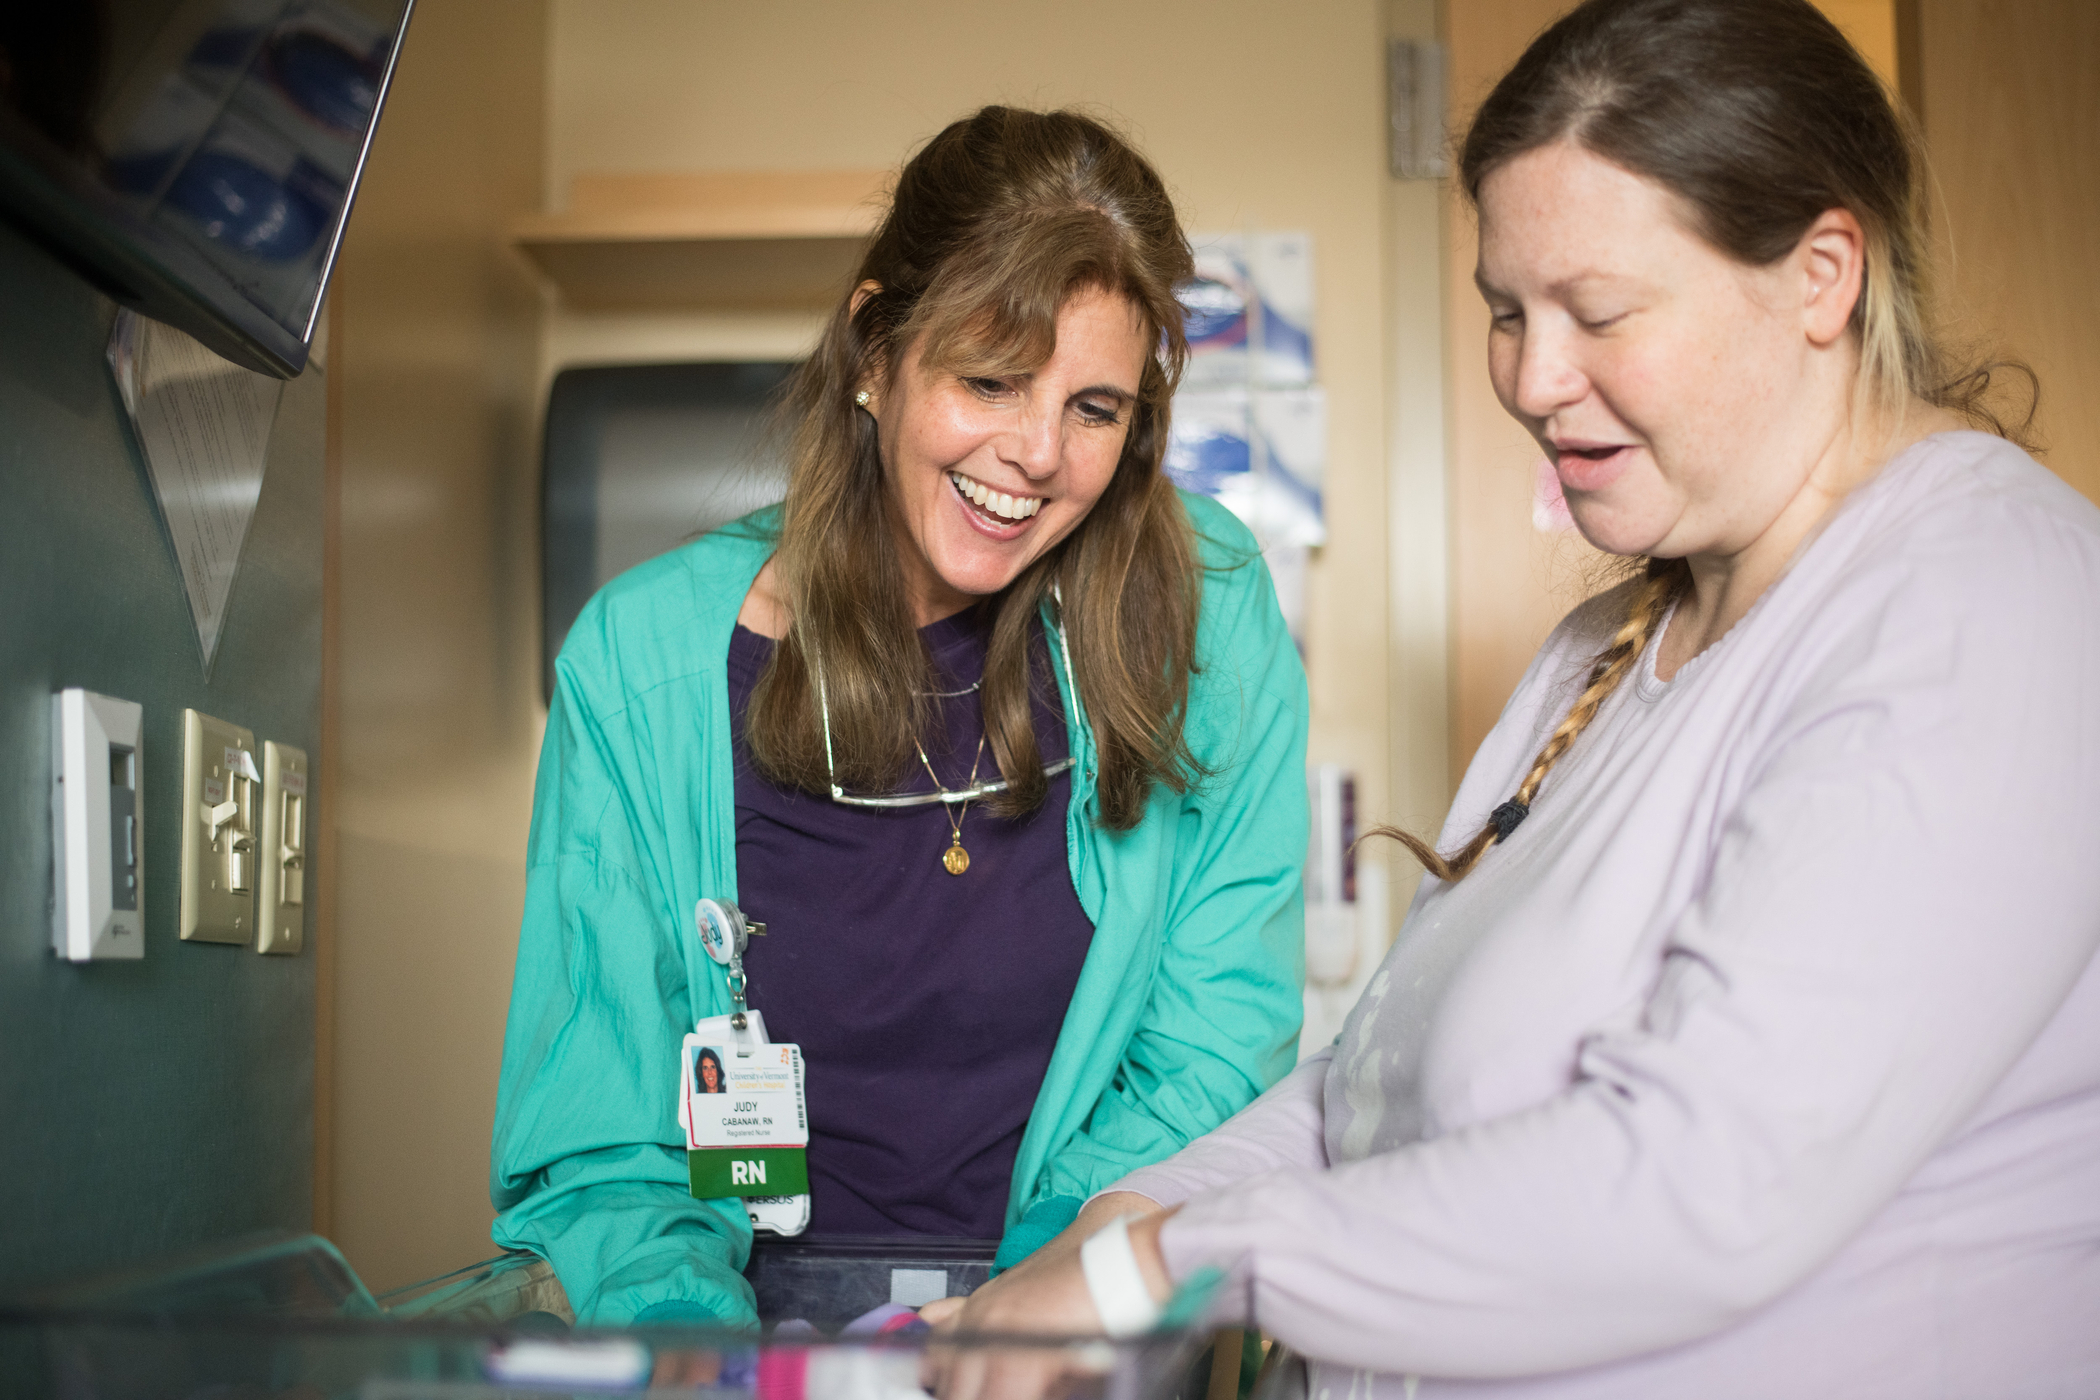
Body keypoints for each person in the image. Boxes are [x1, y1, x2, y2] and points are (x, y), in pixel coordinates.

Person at [935, 3, 2100, 1395]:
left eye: (1598, 312)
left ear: (1822, 277)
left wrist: (1164, 1268)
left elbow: (1698, 1184)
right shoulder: (1604, 647)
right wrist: (1130, 1221)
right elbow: (1375, 1089)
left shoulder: (1983, 600)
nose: (1536, 382)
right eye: (1505, 313)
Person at [488, 106, 1308, 1327]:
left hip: (1067, 1302)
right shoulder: (643, 660)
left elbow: (1211, 1047)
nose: (1035, 455)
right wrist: (713, 1353)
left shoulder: (1207, 611)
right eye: (990, 380)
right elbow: (604, 1134)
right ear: (877, 349)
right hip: (741, 1321)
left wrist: (1021, 1307)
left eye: (1096, 408)